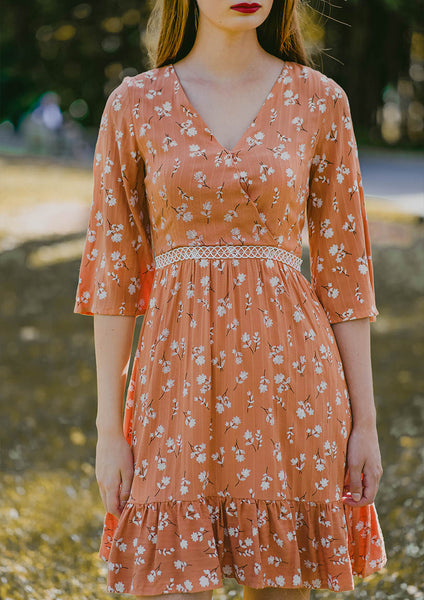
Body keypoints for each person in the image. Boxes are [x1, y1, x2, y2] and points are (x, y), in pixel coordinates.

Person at [73, 0, 387, 597]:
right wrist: (109, 429)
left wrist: (365, 424)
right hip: (174, 386)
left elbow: (346, 277)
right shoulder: (135, 104)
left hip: (292, 384)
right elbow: (112, 279)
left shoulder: (321, 101)